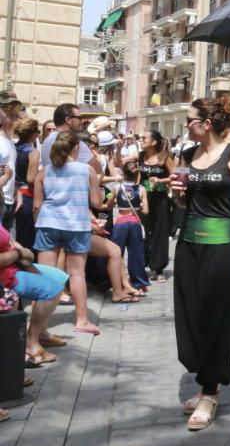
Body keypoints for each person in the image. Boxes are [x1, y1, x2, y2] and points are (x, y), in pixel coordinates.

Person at [169, 96, 230, 431]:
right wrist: (177, 194)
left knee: (214, 316)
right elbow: (183, 199)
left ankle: (209, 390)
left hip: (222, 245)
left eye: (190, 119)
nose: (186, 124)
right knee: (189, 313)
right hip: (189, 243)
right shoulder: (188, 155)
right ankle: (205, 373)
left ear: (206, 123)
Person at [34, 131, 103, 335]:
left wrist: (38, 225)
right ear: (76, 148)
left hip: (48, 223)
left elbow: (37, 206)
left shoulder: (45, 171)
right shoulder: (86, 170)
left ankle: (41, 326)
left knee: (46, 276)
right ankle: (82, 320)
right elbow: (97, 203)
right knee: (77, 273)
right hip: (77, 225)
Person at [0, 228, 69, 364]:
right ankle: (31, 342)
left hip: (14, 265)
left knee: (58, 277)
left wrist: (24, 252)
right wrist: (19, 253)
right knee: (51, 290)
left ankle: (41, 332)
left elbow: (11, 241)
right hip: (4, 274)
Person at [138, 130, 173, 282]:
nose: (141, 140)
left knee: (159, 232)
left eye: (144, 138)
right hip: (143, 200)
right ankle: (142, 264)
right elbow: (120, 162)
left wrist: (160, 181)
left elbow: (176, 176)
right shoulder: (140, 156)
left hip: (160, 199)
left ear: (153, 142)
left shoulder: (165, 157)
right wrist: (118, 149)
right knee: (142, 232)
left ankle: (158, 269)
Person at [111, 160, 150, 292]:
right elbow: (146, 211)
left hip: (120, 223)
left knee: (117, 254)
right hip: (134, 222)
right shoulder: (141, 189)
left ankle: (117, 282)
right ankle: (139, 283)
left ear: (123, 173)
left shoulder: (117, 188)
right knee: (136, 254)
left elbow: (110, 204)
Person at [40, 104, 99, 171]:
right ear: (68, 120)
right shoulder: (74, 142)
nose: (82, 121)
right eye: (79, 118)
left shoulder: (46, 141)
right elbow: (98, 171)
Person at [12, 117, 40, 251]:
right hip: (26, 196)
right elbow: (30, 179)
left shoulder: (12, 147)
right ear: (34, 134)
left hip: (12, 192)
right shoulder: (33, 152)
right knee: (25, 237)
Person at [0, 109, 18, 229]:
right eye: (6, 109)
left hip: (9, 199)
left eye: (13, 108)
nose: (11, 112)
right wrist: (6, 176)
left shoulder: (9, 140)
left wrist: (17, 191)